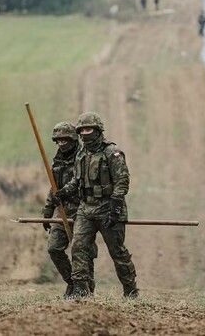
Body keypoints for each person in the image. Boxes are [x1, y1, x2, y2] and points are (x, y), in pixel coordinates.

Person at [51, 112, 138, 299]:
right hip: (86, 209)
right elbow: (77, 180)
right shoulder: (81, 153)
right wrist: (64, 192)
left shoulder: (112, 153)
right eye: (81, 131)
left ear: (98, 130)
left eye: (88, 129)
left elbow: (122, 182)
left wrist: (115, 209)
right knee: (78, 248)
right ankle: (82, 290)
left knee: (117, 252)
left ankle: (130, 291)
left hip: (109, 210)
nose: (84, 134)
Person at [43, 121, 96, 297]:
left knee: (81, 251)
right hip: (63, 211)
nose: (60, 143)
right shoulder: (57, 161)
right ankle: (73, 283)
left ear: (73, 139)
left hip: (84, 209)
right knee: (54, 248)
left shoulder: (85, 157)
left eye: (64, 140)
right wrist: (48, 210)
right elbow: (54, 186)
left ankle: (85, 285)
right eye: (57, 141)